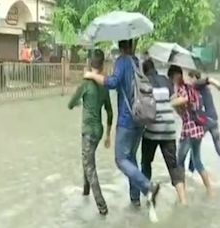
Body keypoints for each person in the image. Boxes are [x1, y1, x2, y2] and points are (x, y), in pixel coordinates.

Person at [84, 40, 160, 209]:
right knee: (131, 158)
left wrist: (91, 76)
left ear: (120, 46)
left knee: (120, 159)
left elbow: (112, 82)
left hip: (127, 119)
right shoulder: (137, 61)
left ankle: (148, 187)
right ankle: (135, 201)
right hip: (140, 118)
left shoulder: (123, 61)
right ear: (132, 45)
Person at [67, 49, 113, 216]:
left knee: (89, 166)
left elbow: (70, 104)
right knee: (87, 159)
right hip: (99, 131)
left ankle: (102, 207)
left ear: (89, 64)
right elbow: (110, 111)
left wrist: (79, 103)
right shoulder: (104, 87)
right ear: (102, 66)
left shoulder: (85, 84)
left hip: (88, 131)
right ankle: (86, 191)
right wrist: (108, 135)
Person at [140, 59, 188, 205]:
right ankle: (184, 200)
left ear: (144, 70)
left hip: (152, 130)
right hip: (169, 129)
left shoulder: (144, 82)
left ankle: (148, 193)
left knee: (146, 163)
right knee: (173, 166)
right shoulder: (166, 81)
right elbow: (173, 100)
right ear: (155, 68)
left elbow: (142, 107)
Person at [169, 65, 213, 198]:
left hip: (189, 131)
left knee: (179, 162)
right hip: (198, 129)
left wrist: (169, 102)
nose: (171, 81)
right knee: (198, 162)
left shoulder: (183, 89)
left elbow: (185, 100)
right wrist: (175, 101)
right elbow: (184, 112)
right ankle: (210, 191)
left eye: (172, 78)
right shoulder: (190, 87)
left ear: (176, 76)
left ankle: (182, 195)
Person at [187, 72, 220, 181]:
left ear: (195, 77)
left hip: (205, 121)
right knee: (219, 147)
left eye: (190, 78)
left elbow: (209, 79)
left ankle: (190, 172)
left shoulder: (197, 85)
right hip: (214, 120)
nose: (189, 81)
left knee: (194, 143)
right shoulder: (203, 89)